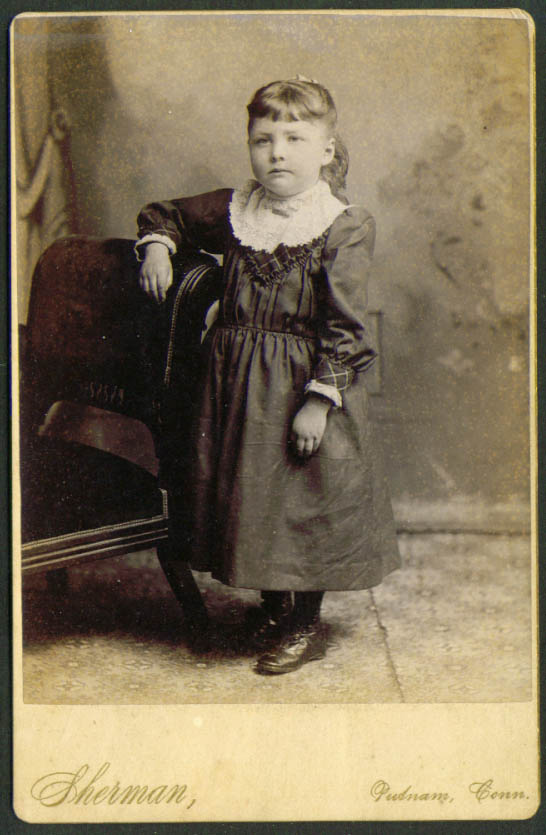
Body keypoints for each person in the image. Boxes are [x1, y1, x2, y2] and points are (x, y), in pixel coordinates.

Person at [136, 77, 400, 675]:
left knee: (305, 501)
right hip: (237, 387)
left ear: (326, 152)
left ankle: (304, 621)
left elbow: (348, 324)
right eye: (263, 139)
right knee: (252, 497)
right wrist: (157, 245)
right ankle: (275, 606)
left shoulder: (342, 224)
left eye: (294, 138)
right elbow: (169, 214)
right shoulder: (237, 209)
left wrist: (319, 399)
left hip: (303, 386)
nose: (276, 152)